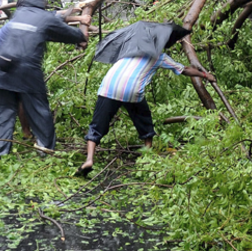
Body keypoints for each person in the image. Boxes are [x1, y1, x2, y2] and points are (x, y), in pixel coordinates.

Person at [76, 27, 215, 176]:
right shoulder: (159, 56)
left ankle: (89, 159)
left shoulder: (128, 48)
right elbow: (185, 70)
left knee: (97, 126)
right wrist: (205, 75)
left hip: (109, 86)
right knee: (144, 118)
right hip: (131, 90)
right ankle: (147, 155)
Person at [0, 0, 87, 157]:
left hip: (2, 68)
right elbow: (74, 35)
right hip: (27, 72)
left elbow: (45, 25)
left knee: (2, 114)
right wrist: (82, 26)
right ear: (42, 0)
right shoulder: (45, 17)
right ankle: (46, 151)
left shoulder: (19, 14)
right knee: (39, 113)